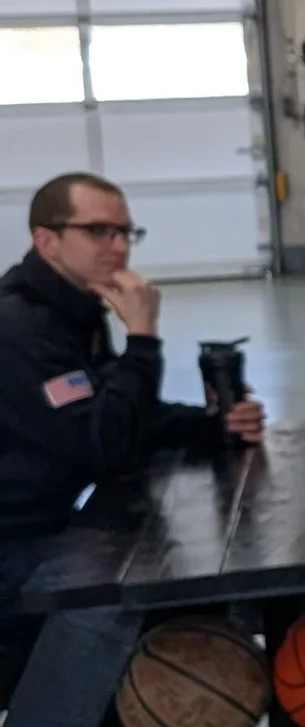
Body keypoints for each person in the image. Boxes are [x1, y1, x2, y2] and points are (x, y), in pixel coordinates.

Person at [0, 171, 264, 547]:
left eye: (125, 233)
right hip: (20, 543)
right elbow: (110, 446)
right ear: (47, 241)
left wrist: (214, 425)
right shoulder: (18, 327)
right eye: (98, 231)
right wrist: (142, 338)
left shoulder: (77, 308)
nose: (119, 246)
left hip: (58, 515)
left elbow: (122, 412)